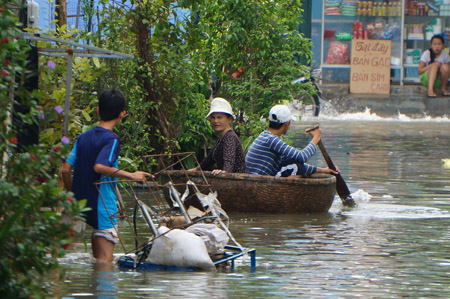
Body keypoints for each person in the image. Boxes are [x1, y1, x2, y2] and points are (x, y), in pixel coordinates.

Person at [62, 89, 152, 263]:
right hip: (103, 206)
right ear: (122, 114)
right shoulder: (111, 139)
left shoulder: (83, 138)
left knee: (98, 260)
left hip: (83, 205)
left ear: (98, 110)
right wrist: (131, 175)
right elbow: (100, 166)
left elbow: (65, 170)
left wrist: (73, 193)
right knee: (105, 262)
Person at [245, 105, 338, 177]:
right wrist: (316, 139)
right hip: (260, 183)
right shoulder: (272, 140)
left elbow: (294, 161)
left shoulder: (265, 136)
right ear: (286, 124)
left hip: (259, 179)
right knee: (297, 168)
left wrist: (323, 170)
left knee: (293, 163)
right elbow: (302, 157)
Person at [189, 97, 246, 175]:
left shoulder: (230, 137)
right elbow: (209, 160)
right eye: (213, 117)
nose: (216, 121)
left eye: (219, 117)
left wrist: (224, 171)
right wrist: (196, 169)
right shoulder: (221, 139)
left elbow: (229, 160)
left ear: (229, 119)